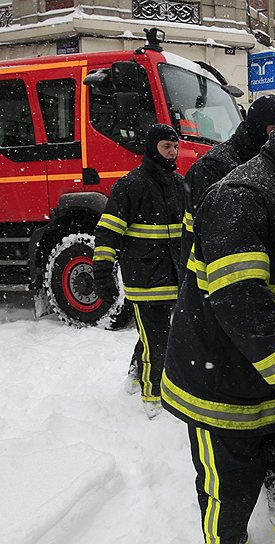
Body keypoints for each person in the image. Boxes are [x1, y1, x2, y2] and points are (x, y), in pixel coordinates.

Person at [161, 89, 275, 544]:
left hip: (270, 381)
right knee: (230, 501)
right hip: (220, 388)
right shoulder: (242, 194)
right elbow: (242, 306)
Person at [92, 123, 185, 419]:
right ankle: (153, 399)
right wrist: (103, 273)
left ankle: (135, 375)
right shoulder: (130, 186)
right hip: (145, 279)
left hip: (175, 277)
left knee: (154, 335)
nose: (172, 153)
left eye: (174, 147)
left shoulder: (180, 184)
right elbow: (108, 233)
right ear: (151, 148)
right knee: (158, 339)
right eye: (165, 147)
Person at [183, 93, 275, 213]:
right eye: (273, 131)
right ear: (256, 127)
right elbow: (205, 225)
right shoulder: (212, 166)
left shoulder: (271, 162)